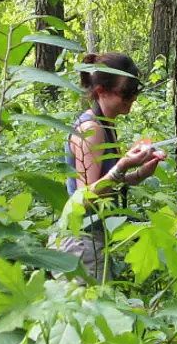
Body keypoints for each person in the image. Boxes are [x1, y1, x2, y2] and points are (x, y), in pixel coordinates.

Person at [51, 52, 166, 282]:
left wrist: (138, 173)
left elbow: (107, 181)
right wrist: (123, 164)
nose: (132, 98)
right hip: (81, 242)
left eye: (135, 90)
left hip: (95, 238)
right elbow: (85, 197)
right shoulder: (91, 130)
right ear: (101, 91)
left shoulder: (106, 124)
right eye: (126, 92)